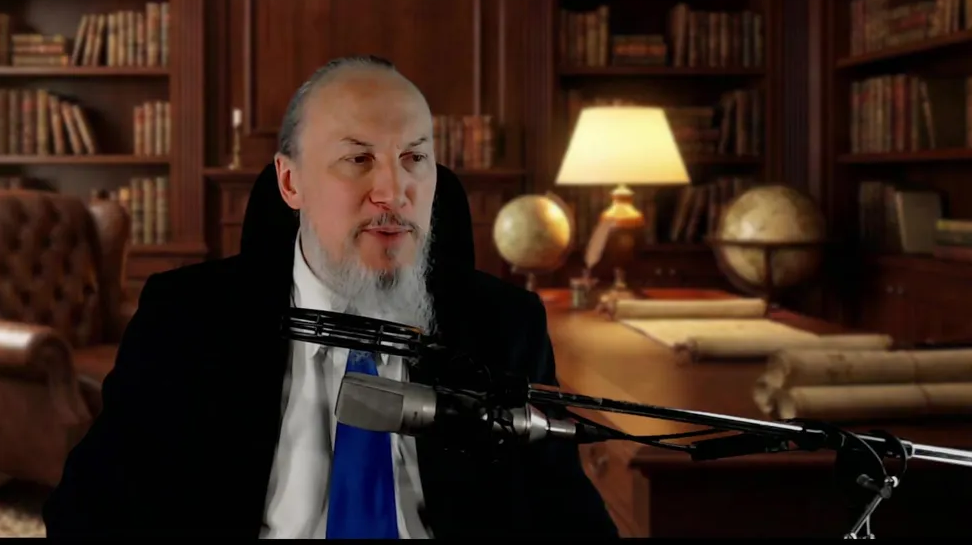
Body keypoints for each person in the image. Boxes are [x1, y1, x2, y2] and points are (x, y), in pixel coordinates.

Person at [44, 56, 618, 538]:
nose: (393, 191)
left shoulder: (505, 327)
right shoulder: (187, 319)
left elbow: (570, 521)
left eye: (415, 158)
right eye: (358, 159)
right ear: (290, 182)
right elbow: (86, 516)